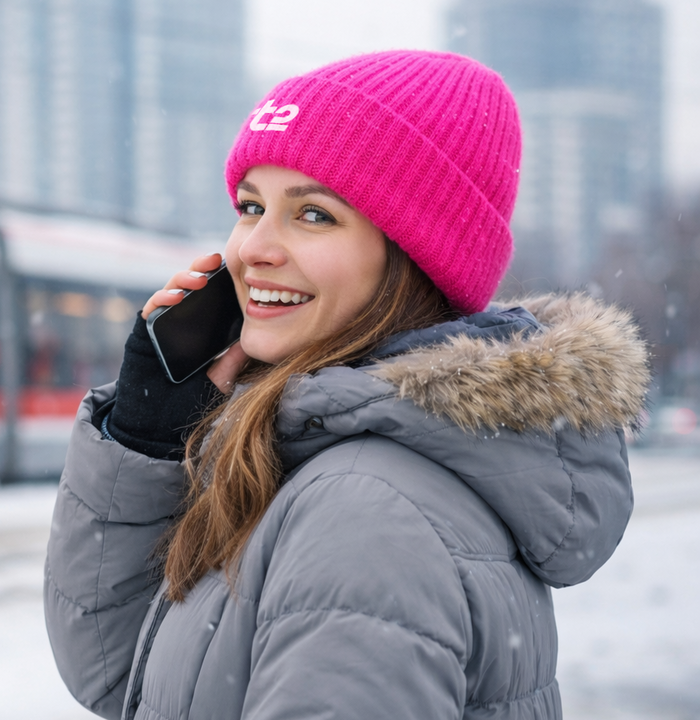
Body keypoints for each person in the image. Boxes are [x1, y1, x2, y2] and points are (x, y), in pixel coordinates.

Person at [44, 50, 650, 720]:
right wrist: (148, 438)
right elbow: (129, 677)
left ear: (414, 258)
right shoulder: (319, 461)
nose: (251, 249)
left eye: (313, 215)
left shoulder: (364, 510)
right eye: (251, 206)